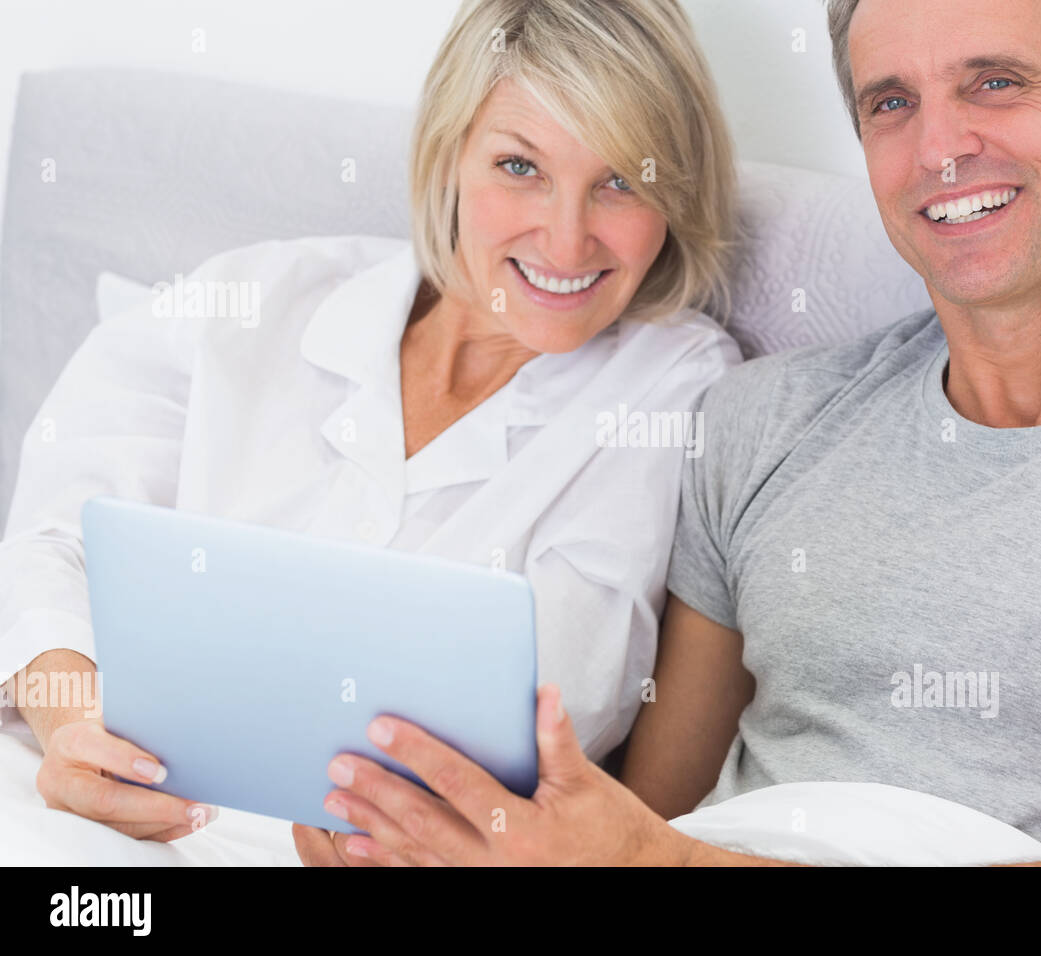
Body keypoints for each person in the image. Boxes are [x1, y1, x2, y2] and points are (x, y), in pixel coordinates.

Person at [294, 0, 1041, 866]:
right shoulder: (764, 420)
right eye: (892, 103)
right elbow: (646, 819)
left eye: (994, 82)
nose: (941, 146)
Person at [0, 0, 741, 846]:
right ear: (448, 155)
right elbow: (53, 540)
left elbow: (563, 691)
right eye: (519, 167)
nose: (567, 242)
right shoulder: (255, 302)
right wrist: (74, 728)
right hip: (87, 803)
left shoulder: (675, 388)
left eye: (621, 183)